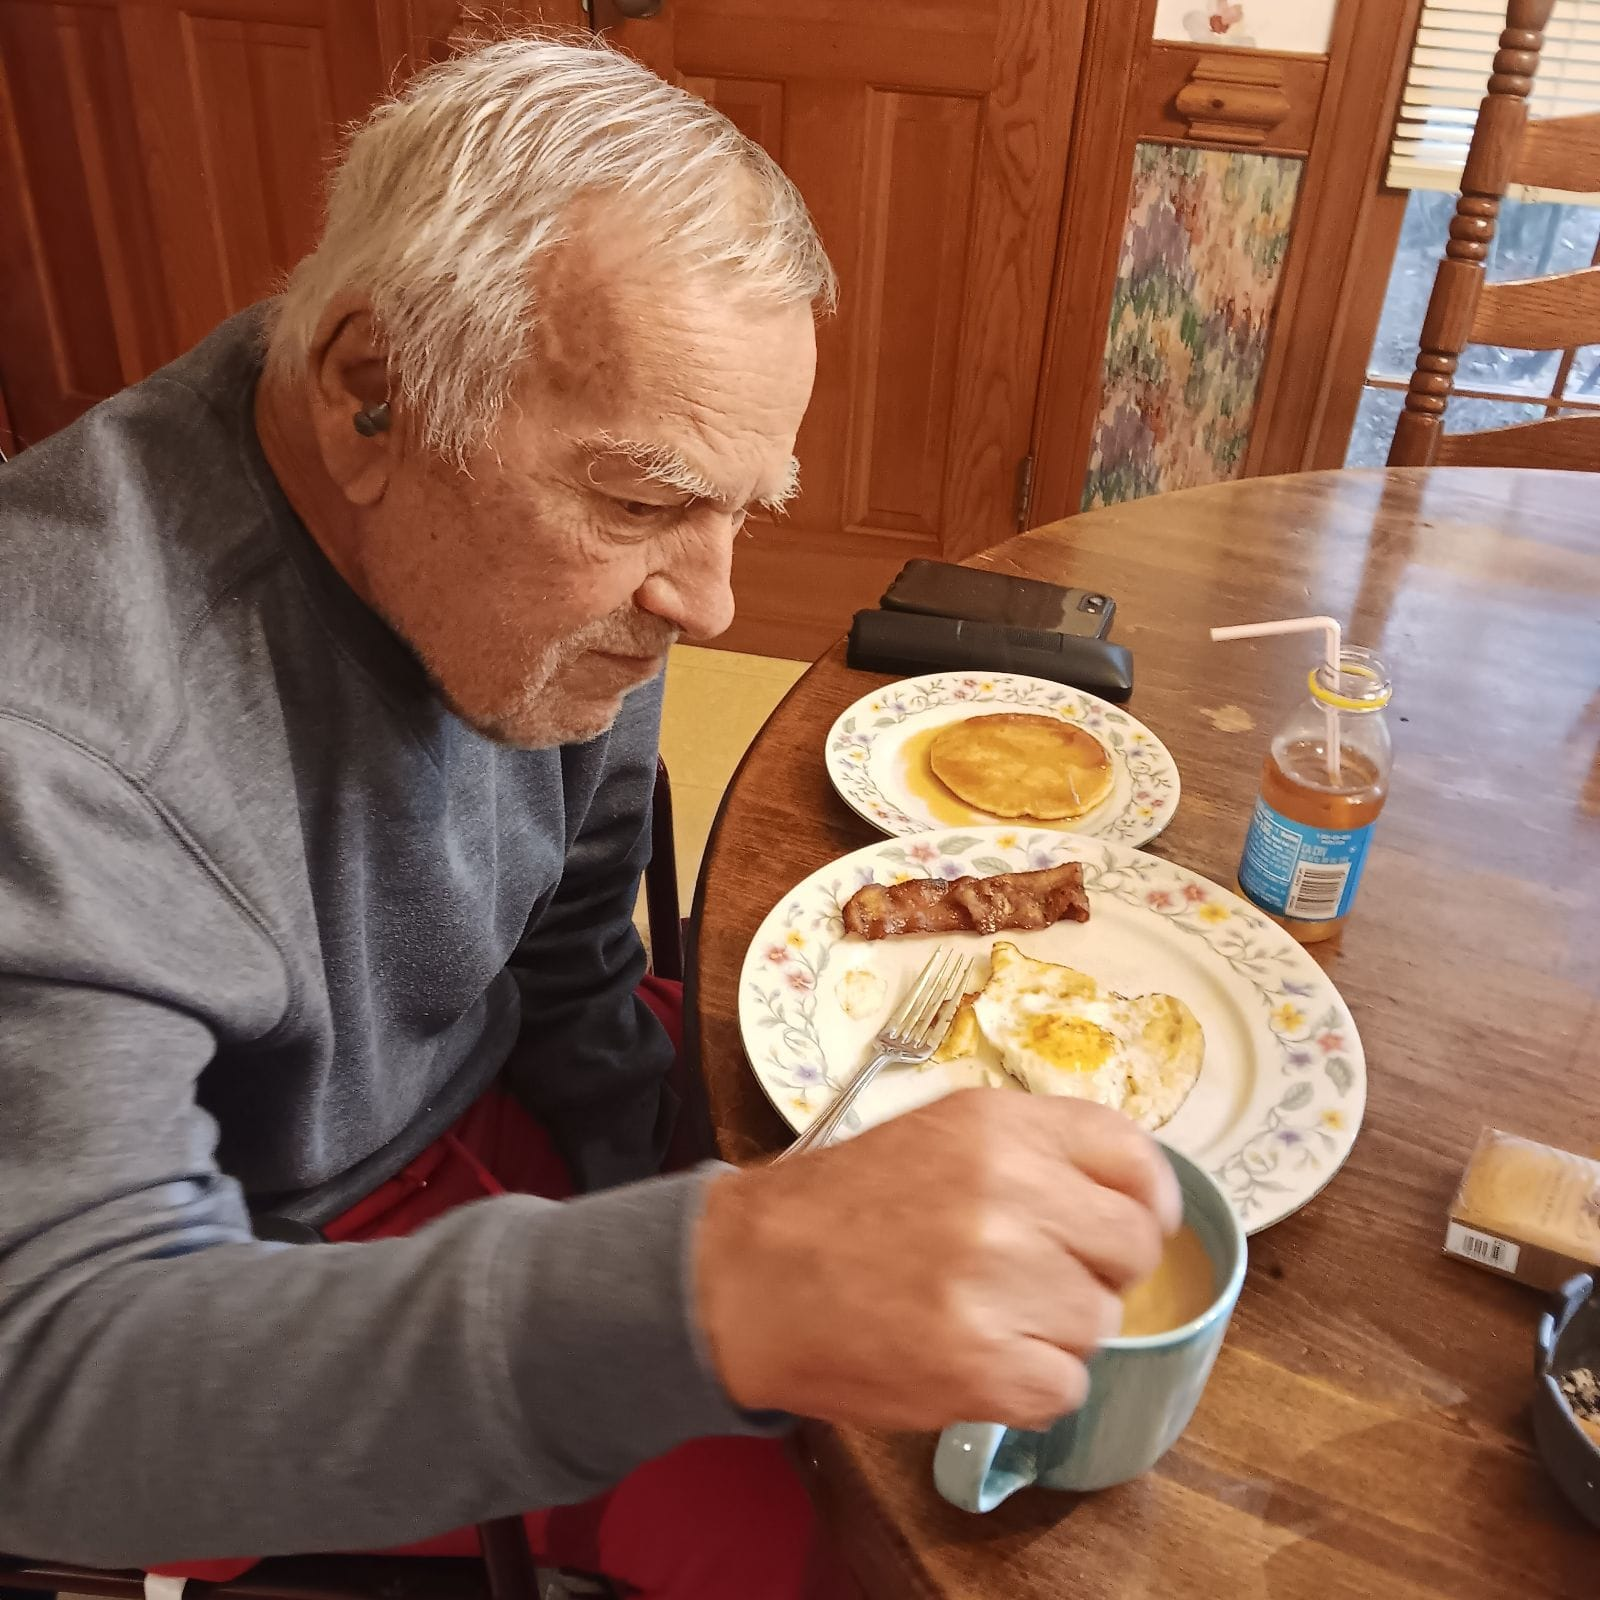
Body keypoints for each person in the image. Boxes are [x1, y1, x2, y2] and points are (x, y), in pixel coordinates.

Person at [0, 35, 1180, 1599]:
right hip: (257, 1291)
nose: (707, 600)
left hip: (491, 1127)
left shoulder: (504, 538)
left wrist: (680, 1176)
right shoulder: (60, 735)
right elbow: (56, 1390)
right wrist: (721, 1281)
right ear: (373, 388)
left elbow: (569, 949)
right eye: (639, 503)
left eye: (739, 507)